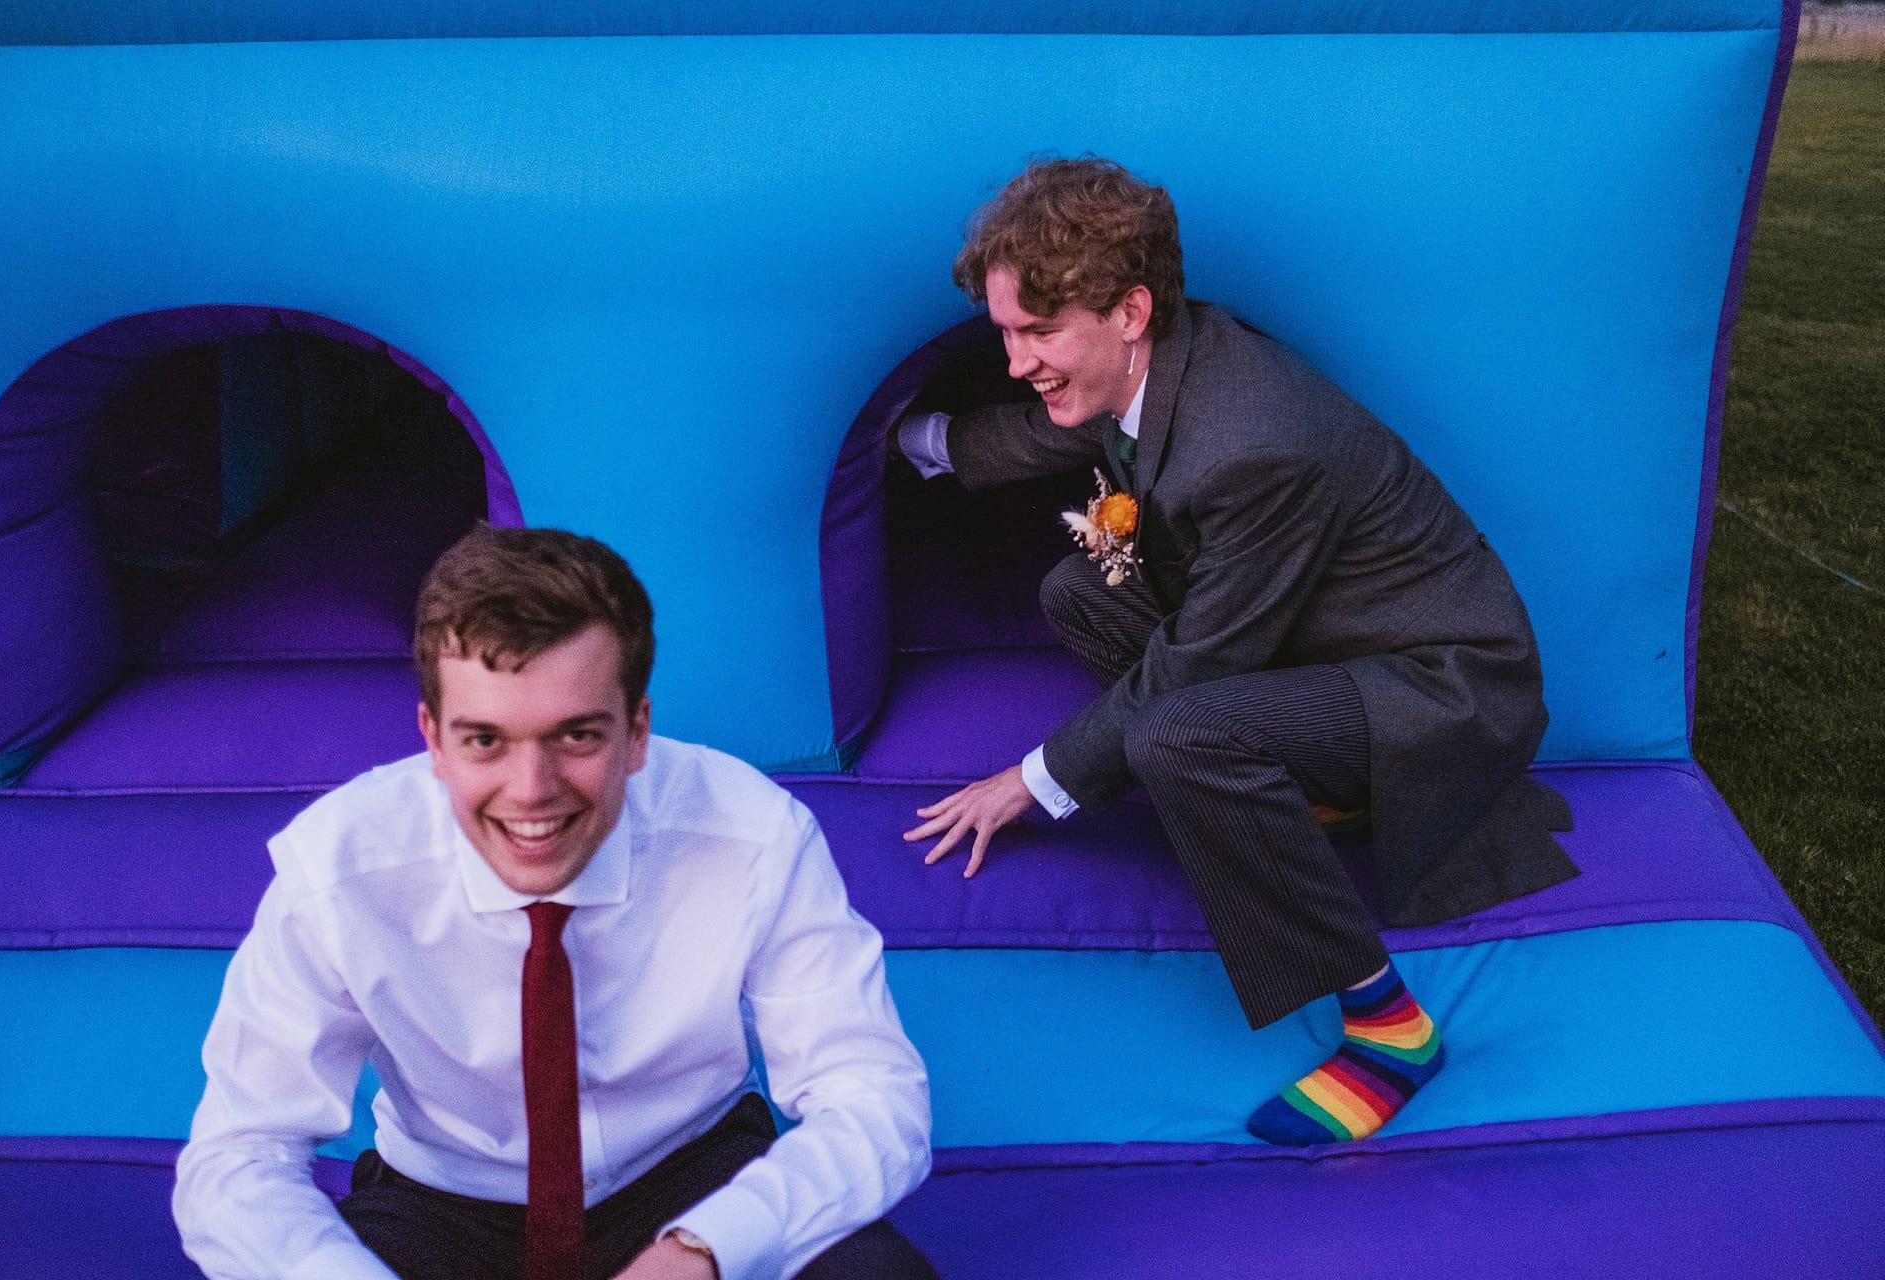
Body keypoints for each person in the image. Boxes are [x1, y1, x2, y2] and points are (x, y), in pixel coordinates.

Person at [898, 157, 1576, 1146]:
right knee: (1079, 590)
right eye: (1006, 331)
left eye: (1038, 332)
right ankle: (1296, 798)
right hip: (1323, 643)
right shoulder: (1160, 364)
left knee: (1178, 732)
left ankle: (1388, 1025)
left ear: (1128, 312)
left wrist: (1033, 780)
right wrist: (907, 438)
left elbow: (1197, 669)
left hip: (1443, 684)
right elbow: (1051, 438)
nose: (1016, 359)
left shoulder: (1252, 438)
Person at [174, 525, 937, 1280]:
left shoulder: (753, 834)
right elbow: (238, 1155)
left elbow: (873, 1096)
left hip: (687, 1171)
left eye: (576, 736)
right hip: (445, 1201)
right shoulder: (336, 868)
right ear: (433, 739)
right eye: (485, 741)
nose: (531, 790)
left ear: (637, 732)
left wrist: (708, 1250)